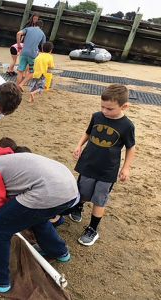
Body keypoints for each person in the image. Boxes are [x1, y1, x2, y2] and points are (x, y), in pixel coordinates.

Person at [0, 148, 79, 293]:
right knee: (36, 216)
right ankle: (58, 251)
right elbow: (12, 198)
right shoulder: (4, 160)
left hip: (49, 191)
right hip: (70, 191)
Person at [70, 84, 136, 246]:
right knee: (83, 192)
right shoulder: (97, 116)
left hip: (108, 170)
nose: (105, 111)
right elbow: (88, 132)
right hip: (88, 163)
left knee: (100, 199)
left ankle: (92, 229)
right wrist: (79, 145)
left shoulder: (127, 125)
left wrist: (126, 167)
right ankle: (78, 207)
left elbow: (130, 147)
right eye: (102, 107)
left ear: (124, 106)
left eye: (110, 109)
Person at [16, 20, 46, 91]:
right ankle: (21, 84)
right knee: (32, 72)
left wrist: (19, 44)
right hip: (33, 54)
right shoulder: (42, 34)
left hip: (23, 52)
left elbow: (18, 33)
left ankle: (16, 88)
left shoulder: (28, 29)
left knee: (20, 71)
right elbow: (43, 47)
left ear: (34, 24)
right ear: (41, 27)